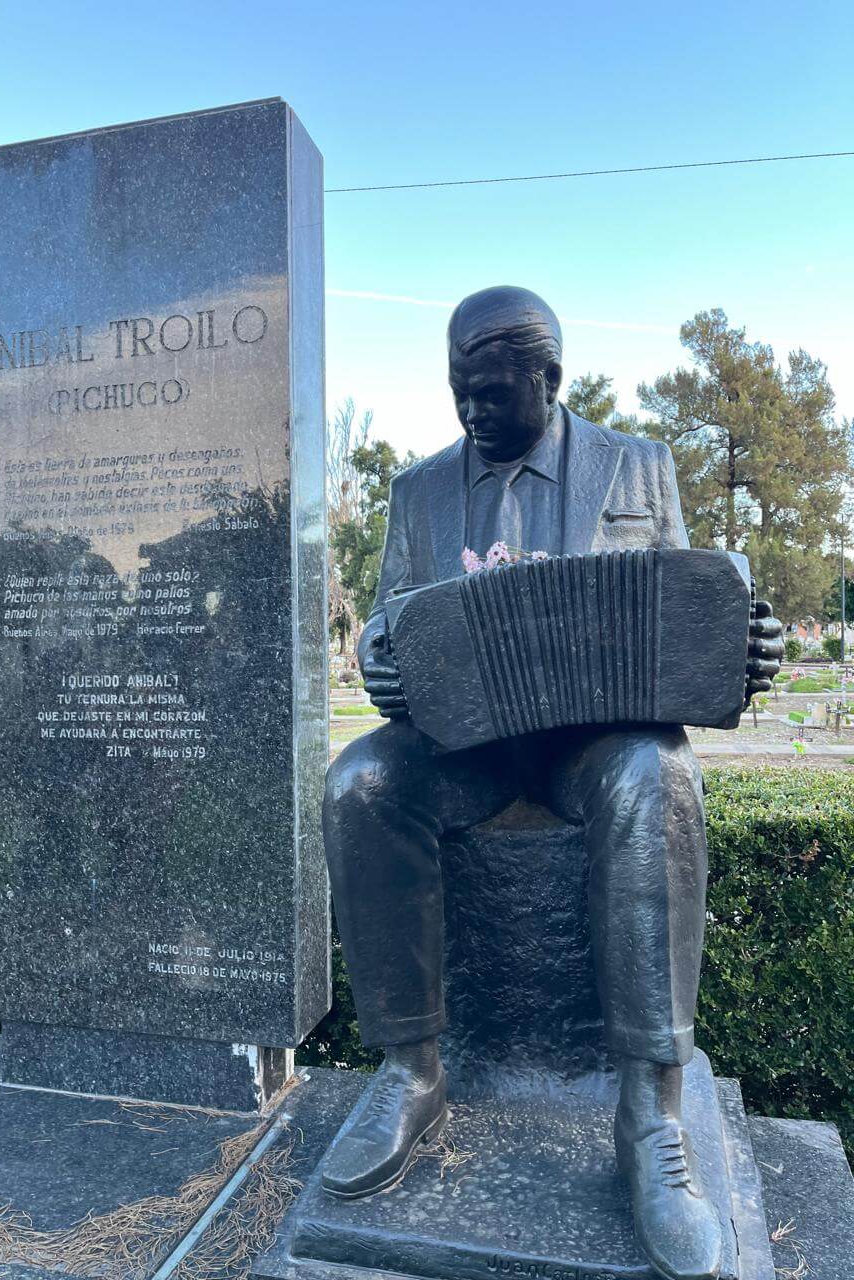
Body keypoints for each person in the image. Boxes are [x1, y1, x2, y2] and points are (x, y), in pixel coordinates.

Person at [321, 286, 783, 1280]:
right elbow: (390, 616)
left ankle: (650, 1112)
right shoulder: (418, 490)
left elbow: (690, 608)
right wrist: (378, 653)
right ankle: (411, 1068)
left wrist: (745, 641)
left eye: (492, 391)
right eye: (459, 390)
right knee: (359, 781)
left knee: (656, 774)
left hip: (594, 739)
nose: (472, 410)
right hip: (468, 746)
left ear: (547, 377)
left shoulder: (638, 466)